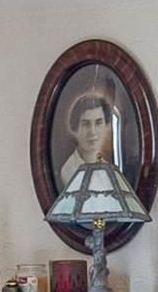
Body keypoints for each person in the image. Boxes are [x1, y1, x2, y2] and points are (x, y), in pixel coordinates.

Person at [50, 88, 145, 220]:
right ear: (75, 128)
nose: (93, 132)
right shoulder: (69, 170)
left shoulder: (109, 169)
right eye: (86, 124)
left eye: (98, 123)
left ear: (107, 127)